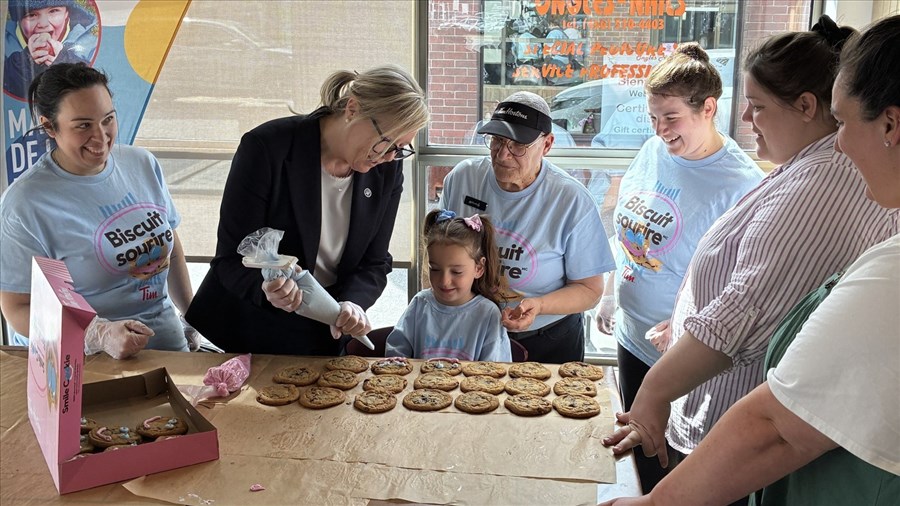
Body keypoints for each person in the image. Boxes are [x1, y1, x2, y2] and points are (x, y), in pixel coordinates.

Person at [600, 14, 900, 506]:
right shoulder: (809, 170)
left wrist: (655, 395)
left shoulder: (825, 181)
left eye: (844, 122)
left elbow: (773, 413)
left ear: (889, 124)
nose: (841, 142)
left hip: (744, 439)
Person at [595, 43, 764, 493]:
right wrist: (611, 292)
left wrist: (685, 320)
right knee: (638, 459)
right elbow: (629, 227)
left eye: (671, 117)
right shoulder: (653, 150)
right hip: (632, 335)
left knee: (675, 471)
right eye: (653, 117)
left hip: (686, 355)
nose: (660, 129)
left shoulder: (742, 184)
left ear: (708, 108)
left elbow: (745, 284)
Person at [186, 65, 429, 356]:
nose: (390, 157)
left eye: (401, 148)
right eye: (386, 142)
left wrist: (353, 303)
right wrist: (268, 288)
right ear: (352, 109)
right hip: (248, 329)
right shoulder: (268, 147)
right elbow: (230, 259)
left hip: (323, 334)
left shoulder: (386, 170)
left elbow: (375, 262)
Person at [0, 62, 195, 358]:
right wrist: (96, 334)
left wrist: (192, 314)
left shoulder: (141, 164)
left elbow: (170, 244)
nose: (101, 136)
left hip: (166, 345)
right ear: (50, 126)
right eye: (83, 125)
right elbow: (17, 308)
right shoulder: (26, 203)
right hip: (88, 361)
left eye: (108, 119)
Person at [440, 91, 615, 364]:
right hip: (472, 331)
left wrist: (540, 305)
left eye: (518, 145)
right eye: (497, 140)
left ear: (547, 145)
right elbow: (438, 251)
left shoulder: (571, 200)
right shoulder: (463, 178)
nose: (503, 155)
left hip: (548, 339)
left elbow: (590, 290)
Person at [385, 209, 511, 361]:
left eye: (456, 272)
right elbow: (396, 349)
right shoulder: (420, 303)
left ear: (478, 268)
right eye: (435, 269)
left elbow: (495, 368)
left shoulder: (489, 314)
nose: (444, 281)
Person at [3, 0, 99, 99]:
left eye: (53, 11)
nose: (43, 24)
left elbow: (91, 90)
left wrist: (63, 62)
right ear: (18, 19)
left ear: (67, 13)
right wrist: (25, 62)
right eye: (31, 15)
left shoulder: (90, 47)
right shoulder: (3, 47)